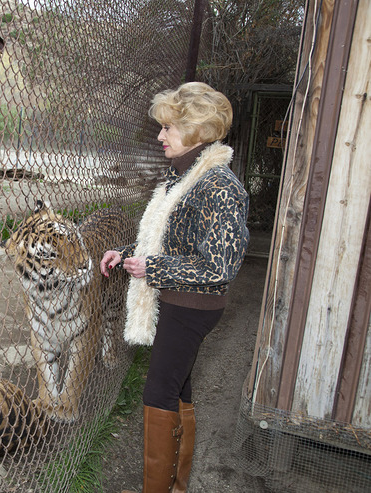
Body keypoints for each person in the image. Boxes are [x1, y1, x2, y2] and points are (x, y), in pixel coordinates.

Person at [100, 82, 249, 493]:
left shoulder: (219, 186)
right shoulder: (182, 176)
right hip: (176, 295)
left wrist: (153, 267)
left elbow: (219, 266)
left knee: (159, 393)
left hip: (192, 305)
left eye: (168, 127)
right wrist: (127, 253)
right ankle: (175, 485)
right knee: (178, 386)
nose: (161, 135)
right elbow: (170, 240)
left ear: (198, 131)